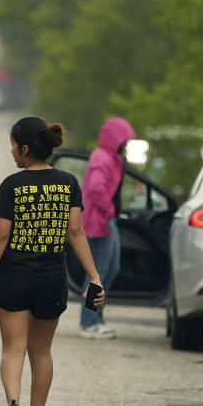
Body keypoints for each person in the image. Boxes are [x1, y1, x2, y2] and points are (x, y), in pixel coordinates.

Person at [0, 117, 104, 406]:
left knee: (13, 348)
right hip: (51, 277)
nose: (11, 153)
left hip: (14, 278)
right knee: (42, 352)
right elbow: (75, 232)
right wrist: (94, 277)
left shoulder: (12, 185)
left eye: (13, 147)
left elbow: (1, 234)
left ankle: (13, 405)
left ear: (25, 148)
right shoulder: (68, 183)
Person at [79, 117, 135, 339]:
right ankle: (89, 322)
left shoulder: (111, 158)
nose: (127, 144)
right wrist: (109, 209)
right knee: (97, 273)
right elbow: (96, 188)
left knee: (110, 268)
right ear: (116, 140)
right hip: (98, 220)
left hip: (104, 219)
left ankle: (96, 318)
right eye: (125, 139)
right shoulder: (102, 158)